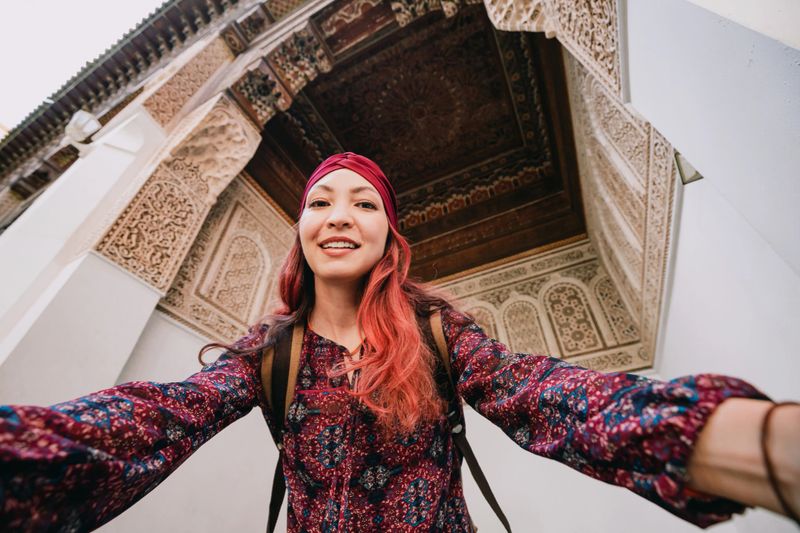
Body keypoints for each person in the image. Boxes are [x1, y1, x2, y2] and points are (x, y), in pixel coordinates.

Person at [0, 152, 797, 532]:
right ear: (302, 229)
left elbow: (557, 402)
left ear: (389, 236)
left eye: (363, 204)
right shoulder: (268, 355)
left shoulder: (442, 337)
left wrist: (759, 446)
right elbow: (155, 418)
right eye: (320, 202)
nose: (339, 215)